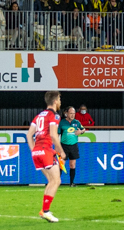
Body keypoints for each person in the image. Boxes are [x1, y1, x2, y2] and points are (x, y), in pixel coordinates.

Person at [28, 91, 64, 222]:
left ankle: (45, 210)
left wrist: (34, 151)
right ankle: (46, 211)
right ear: (55, 101)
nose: (60, 101)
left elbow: (29, 135)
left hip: (37, 152)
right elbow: (54, 135)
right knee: (57, 181)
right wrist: (61, 152)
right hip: (45, 150)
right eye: (59, 99)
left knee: (51, 181)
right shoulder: (54, 115)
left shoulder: (38, 116)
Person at [58, 106, 86, 187]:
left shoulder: (76, 122)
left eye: (74, 113)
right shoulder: (62, 122)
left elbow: (83, 129)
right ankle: (57, 182)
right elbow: (57, 133)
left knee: (72, 164)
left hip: (73, 145)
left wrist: (80, 132)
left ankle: (72, 183)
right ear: (66, 113)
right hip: (64, 146)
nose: (72, 115)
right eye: (71, 113)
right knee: (61, 164)